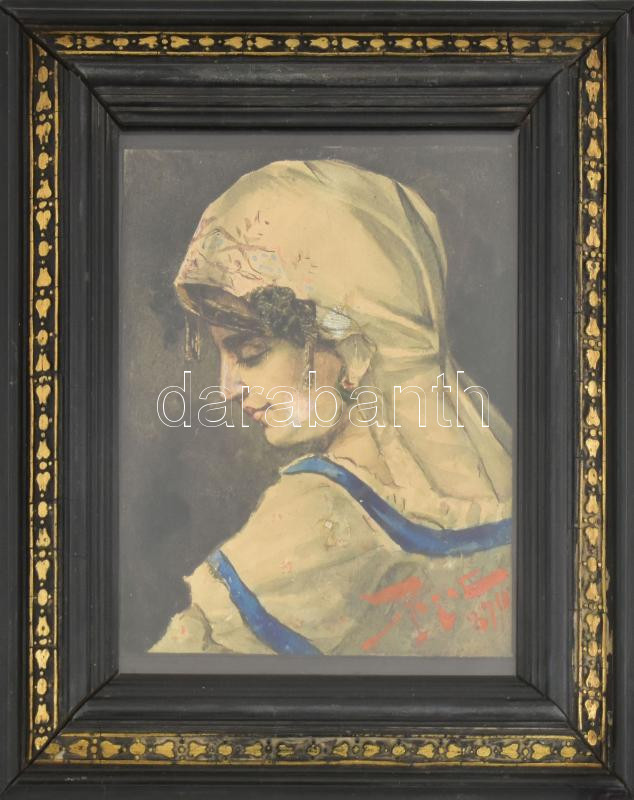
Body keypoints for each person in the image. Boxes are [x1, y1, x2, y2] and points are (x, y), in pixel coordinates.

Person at [151, 159, 513, 657]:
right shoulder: (509, 500)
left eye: (250, 353)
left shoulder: (311, 516)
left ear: (354, 350)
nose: (226, 388)